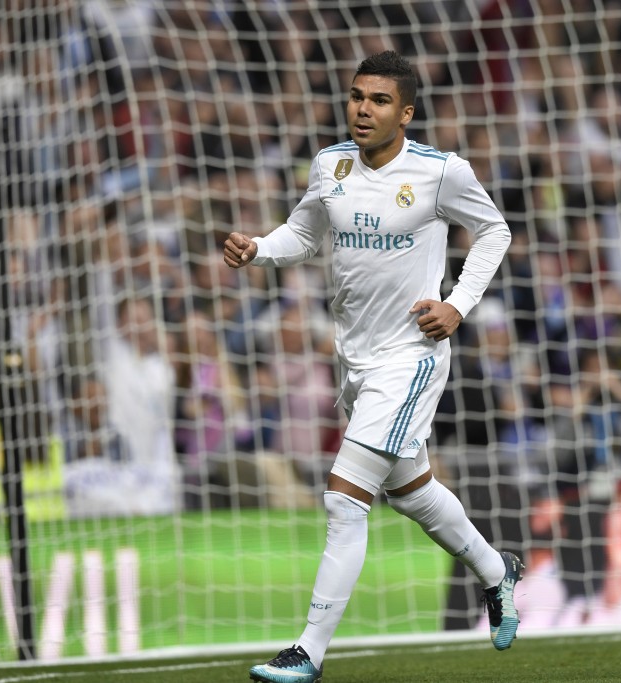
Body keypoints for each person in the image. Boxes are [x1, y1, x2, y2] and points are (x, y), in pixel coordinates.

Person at [223, 51, 519, 683]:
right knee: (412, 493)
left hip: (411, 359)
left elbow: (494, 232)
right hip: (354, 363)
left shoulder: (442, 173)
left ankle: (308, 651)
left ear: (405, 112)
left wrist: (458, 305)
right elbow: (302, 236)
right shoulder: (329, 166)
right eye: (357, 96)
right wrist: (257, 250)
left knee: (343, 496)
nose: (363, 108)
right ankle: (498, 573)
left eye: (380, 100)